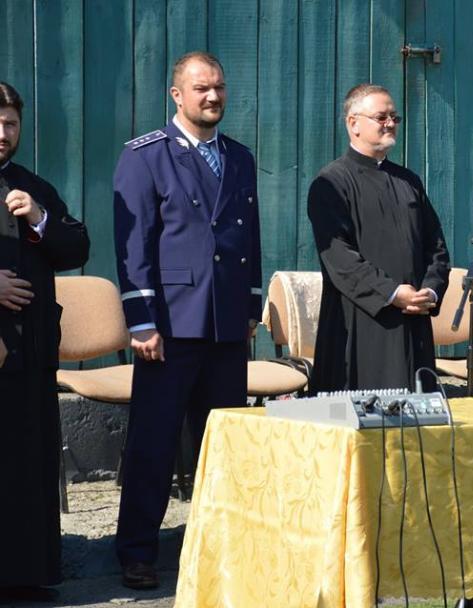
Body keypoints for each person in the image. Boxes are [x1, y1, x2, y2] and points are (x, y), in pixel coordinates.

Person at [113, 51, 261, 590]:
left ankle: (220, 544)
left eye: (218, 87)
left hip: (225, 324)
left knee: (223, 443)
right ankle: (136, 552)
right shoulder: (146, 156)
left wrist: (250, 304)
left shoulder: (238, 157)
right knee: (153, 444)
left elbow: (248, 236)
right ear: (177, 95)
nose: (213, 96)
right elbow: (134, 245)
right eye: (201, 88)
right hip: (170, 326)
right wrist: (141, 321)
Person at [0, 82, 90, 603]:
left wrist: (38, 218)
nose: (3, 132)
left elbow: (77, 247)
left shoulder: (33, 187)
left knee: (27, 465)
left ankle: (27, 572)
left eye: (10, 123)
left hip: (31, 353)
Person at [307, 84, 450, 392]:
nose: (390, 123)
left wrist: (429, 291)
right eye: (381, 117)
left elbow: (436, 247)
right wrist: (391, 293)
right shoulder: (331, 182)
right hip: (361, 324)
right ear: (353, 123)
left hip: (413, 319)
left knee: (417, 413)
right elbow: (340, 259)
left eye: (394, 117)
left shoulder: (409, 181)